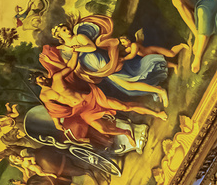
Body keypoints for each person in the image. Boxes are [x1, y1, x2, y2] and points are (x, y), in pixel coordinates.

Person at [36, 47, 166, 150]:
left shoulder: (57, 78)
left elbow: (70, 67)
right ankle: (126, 133)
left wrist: (74, 53)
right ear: (38, 84)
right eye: (39, 81)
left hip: (92, 98)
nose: (42, 80)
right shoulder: (44, 95)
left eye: (41, 77)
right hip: (82, 110)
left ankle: (156, 114)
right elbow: (53, 110)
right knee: (102, 129)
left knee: (124, 106)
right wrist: (56, 123)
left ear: (43, 75)